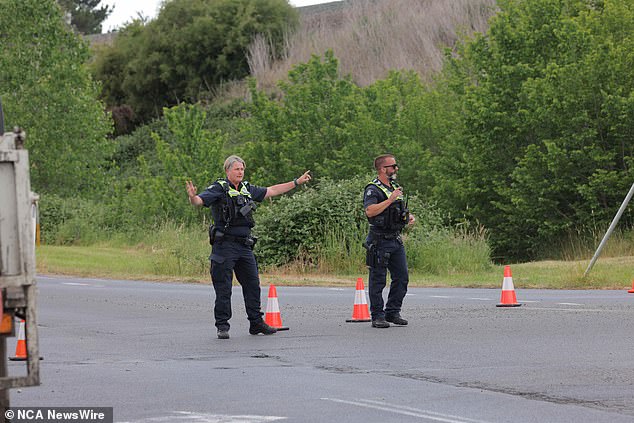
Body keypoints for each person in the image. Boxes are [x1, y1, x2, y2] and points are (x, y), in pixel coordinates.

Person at [186, 155, 311, 339]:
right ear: (228, 170)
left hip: (244, 246)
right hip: (224, 246)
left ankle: (256, 323)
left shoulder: (246, 189)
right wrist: (192, 197)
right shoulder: (219, 188)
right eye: (237, 169)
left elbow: (272, 190)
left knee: (253, 285)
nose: (240, 172)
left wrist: (296, 182)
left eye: (242, 169)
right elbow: (199, 201)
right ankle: (222, 326)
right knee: (224, 288)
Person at [363, 154, 415, 328]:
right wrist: (390, 199)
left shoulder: (394, 187)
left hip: (395, 239)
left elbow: (397, 210)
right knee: (378, 279)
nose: (396, 169)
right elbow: (370, 211)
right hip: (379, 240)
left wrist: (407, 217)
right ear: (382, 169)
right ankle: (377, 315)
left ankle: (393, 312)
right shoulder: (373, 189)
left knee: (402, 277)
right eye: (393, 166)